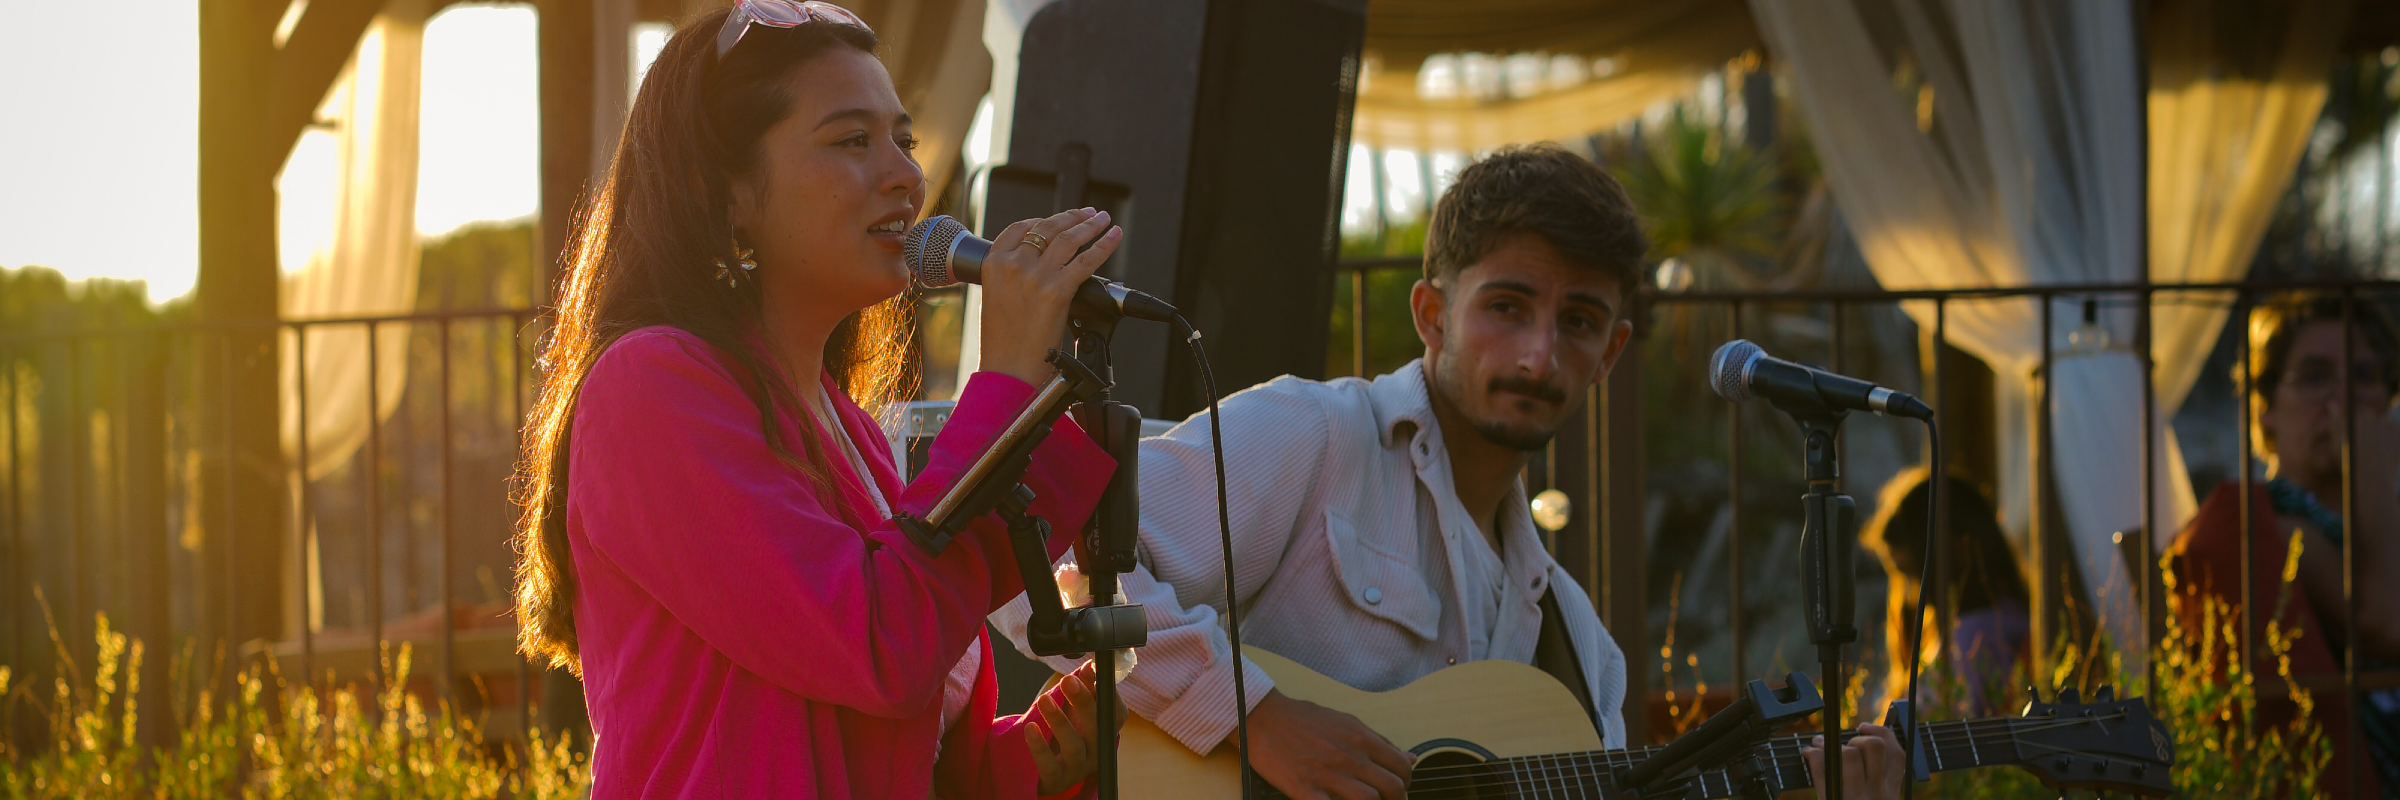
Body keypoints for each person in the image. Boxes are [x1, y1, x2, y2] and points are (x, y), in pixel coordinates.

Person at [998, 143, 1904, 799]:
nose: (1541, 355)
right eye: (1508, 306)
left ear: (1613, 350)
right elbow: (1039, 567)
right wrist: (1254, 716)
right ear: (1432, 314)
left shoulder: (1582, 653)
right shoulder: (1314, 436)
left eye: (1580, 322)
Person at [508, 3, 1126, 796]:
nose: (906, 174)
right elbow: (875, 644)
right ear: (725, 194)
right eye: (851, 141)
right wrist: (1001, 385)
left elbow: (891, 750)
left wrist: (1019, 764)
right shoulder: (649, 389)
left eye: (903, 139)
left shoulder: (857, 439)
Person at [2169, 292, 2400, 799]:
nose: (2344, 400)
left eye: (2365, 376)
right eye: (2317, 377)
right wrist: (2371, 465)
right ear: (2265, 408)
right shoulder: (2269, 523)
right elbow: (2386, 622)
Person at [1860, 468, 2031, 715]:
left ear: (1951, 555)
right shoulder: (2002, 622)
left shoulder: (1972, 638)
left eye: (1911, 576)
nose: (1909, 595)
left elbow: (1934, 730)